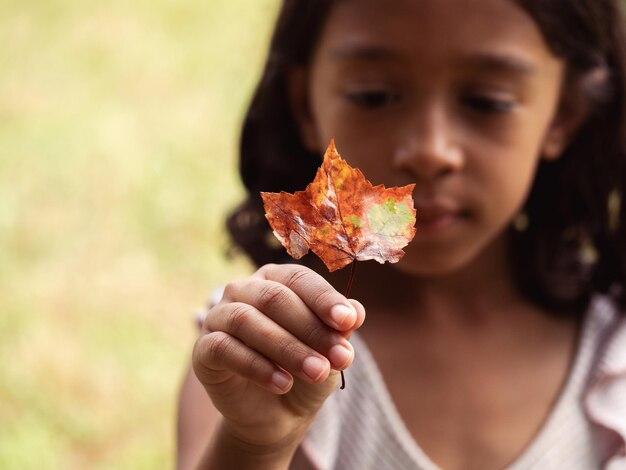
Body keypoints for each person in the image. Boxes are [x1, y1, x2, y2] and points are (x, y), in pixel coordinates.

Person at [177, 0, 626, 468]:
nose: (429, 151)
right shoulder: (262, 352)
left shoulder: (614, 349)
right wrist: (255, 444)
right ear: (304, 105)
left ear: (564, 115)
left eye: (486, 101)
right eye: (373, 96)